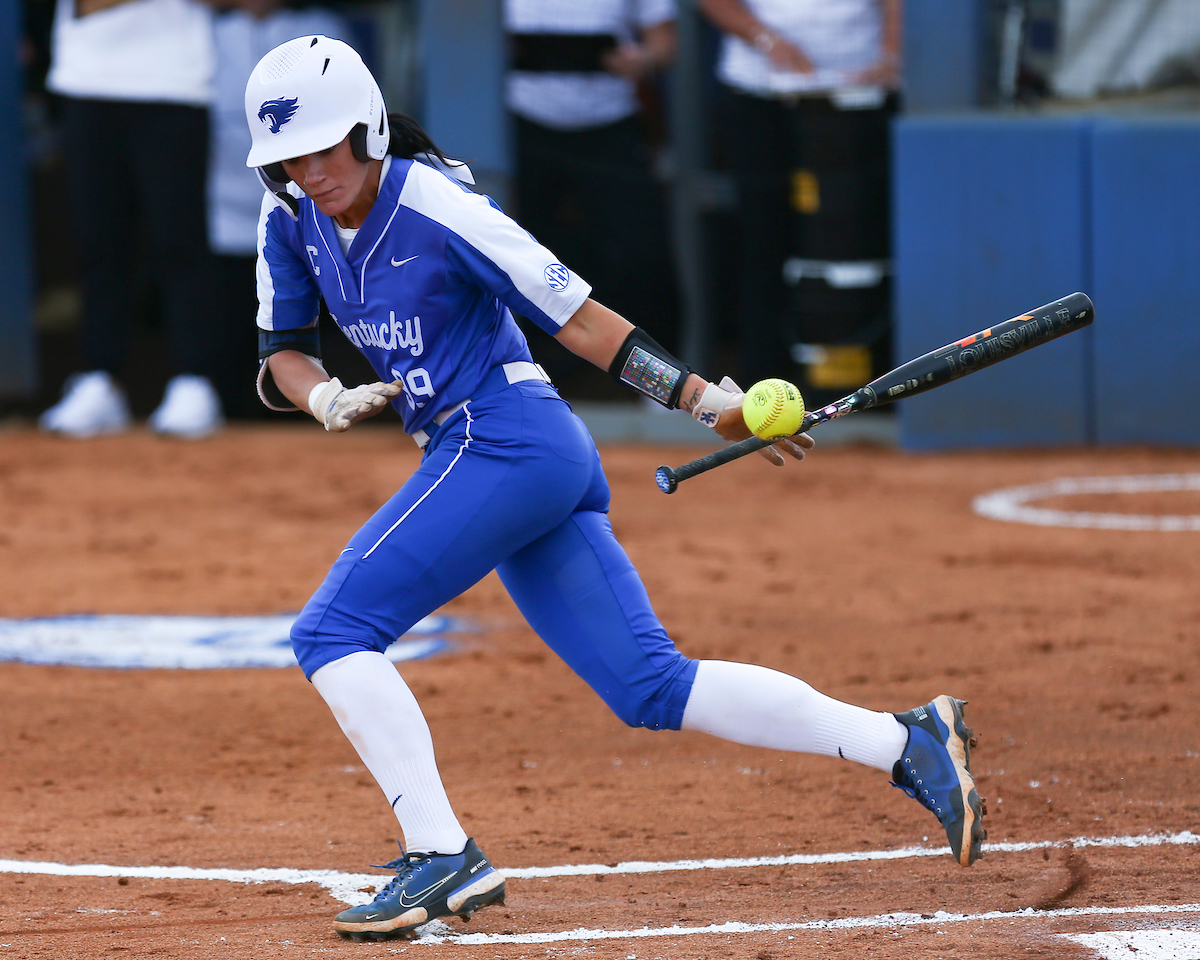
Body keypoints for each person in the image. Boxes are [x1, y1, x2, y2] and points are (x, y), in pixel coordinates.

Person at [245, 36, 984, 942]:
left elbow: (581, 320)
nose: (309, 172)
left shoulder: (437, 203)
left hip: (508, 443)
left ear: (366, 129)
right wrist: (318, 392)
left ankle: (442, 857)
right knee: (650, 686)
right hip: (494, 458)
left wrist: (707, 400)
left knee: (331, 631)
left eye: (324, 148)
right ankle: (906, 741)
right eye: (289, 157)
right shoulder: (288, 219)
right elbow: (281, 349)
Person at [38, 0, 225, 438]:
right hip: (85, 81)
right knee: (97, 243)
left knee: (181, 242)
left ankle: (195, 380)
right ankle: (99, 377)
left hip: (177, 84)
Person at [699, 0, 901, 399]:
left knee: (860, 243)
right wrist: (767, 40)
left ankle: (866, 391)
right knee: (763, 241)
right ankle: (762, 389)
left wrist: (892, 56)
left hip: (859, 100)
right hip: (760, 96)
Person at [504, 0, 680, 392]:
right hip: (522, 128)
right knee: (525, 259)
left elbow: (664, 42)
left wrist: (642, 59)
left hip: (611, 126)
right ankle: (534, 381)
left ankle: (657, 386)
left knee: (640, 255)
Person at [203, 0, 351, 419]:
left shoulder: (323, 24)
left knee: (313, 306)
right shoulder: (207, 30)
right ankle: (233, 411)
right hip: (222, 193)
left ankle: (313, 405)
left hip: (309, 199)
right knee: (231, 314)